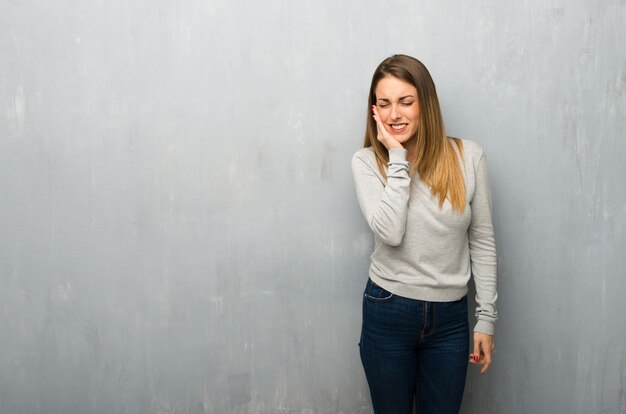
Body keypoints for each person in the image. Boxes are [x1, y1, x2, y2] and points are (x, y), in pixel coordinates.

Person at [351, 54, 498, 414]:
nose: (394, 114)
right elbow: (390, 233)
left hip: (450, 320)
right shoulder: (368, 162)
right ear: (374, 110)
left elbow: (482, 240)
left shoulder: (469, 157)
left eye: (406, 101)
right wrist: (398, 159)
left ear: (425, 104)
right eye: (384, 104)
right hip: (388, 309)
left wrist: (486, 317)